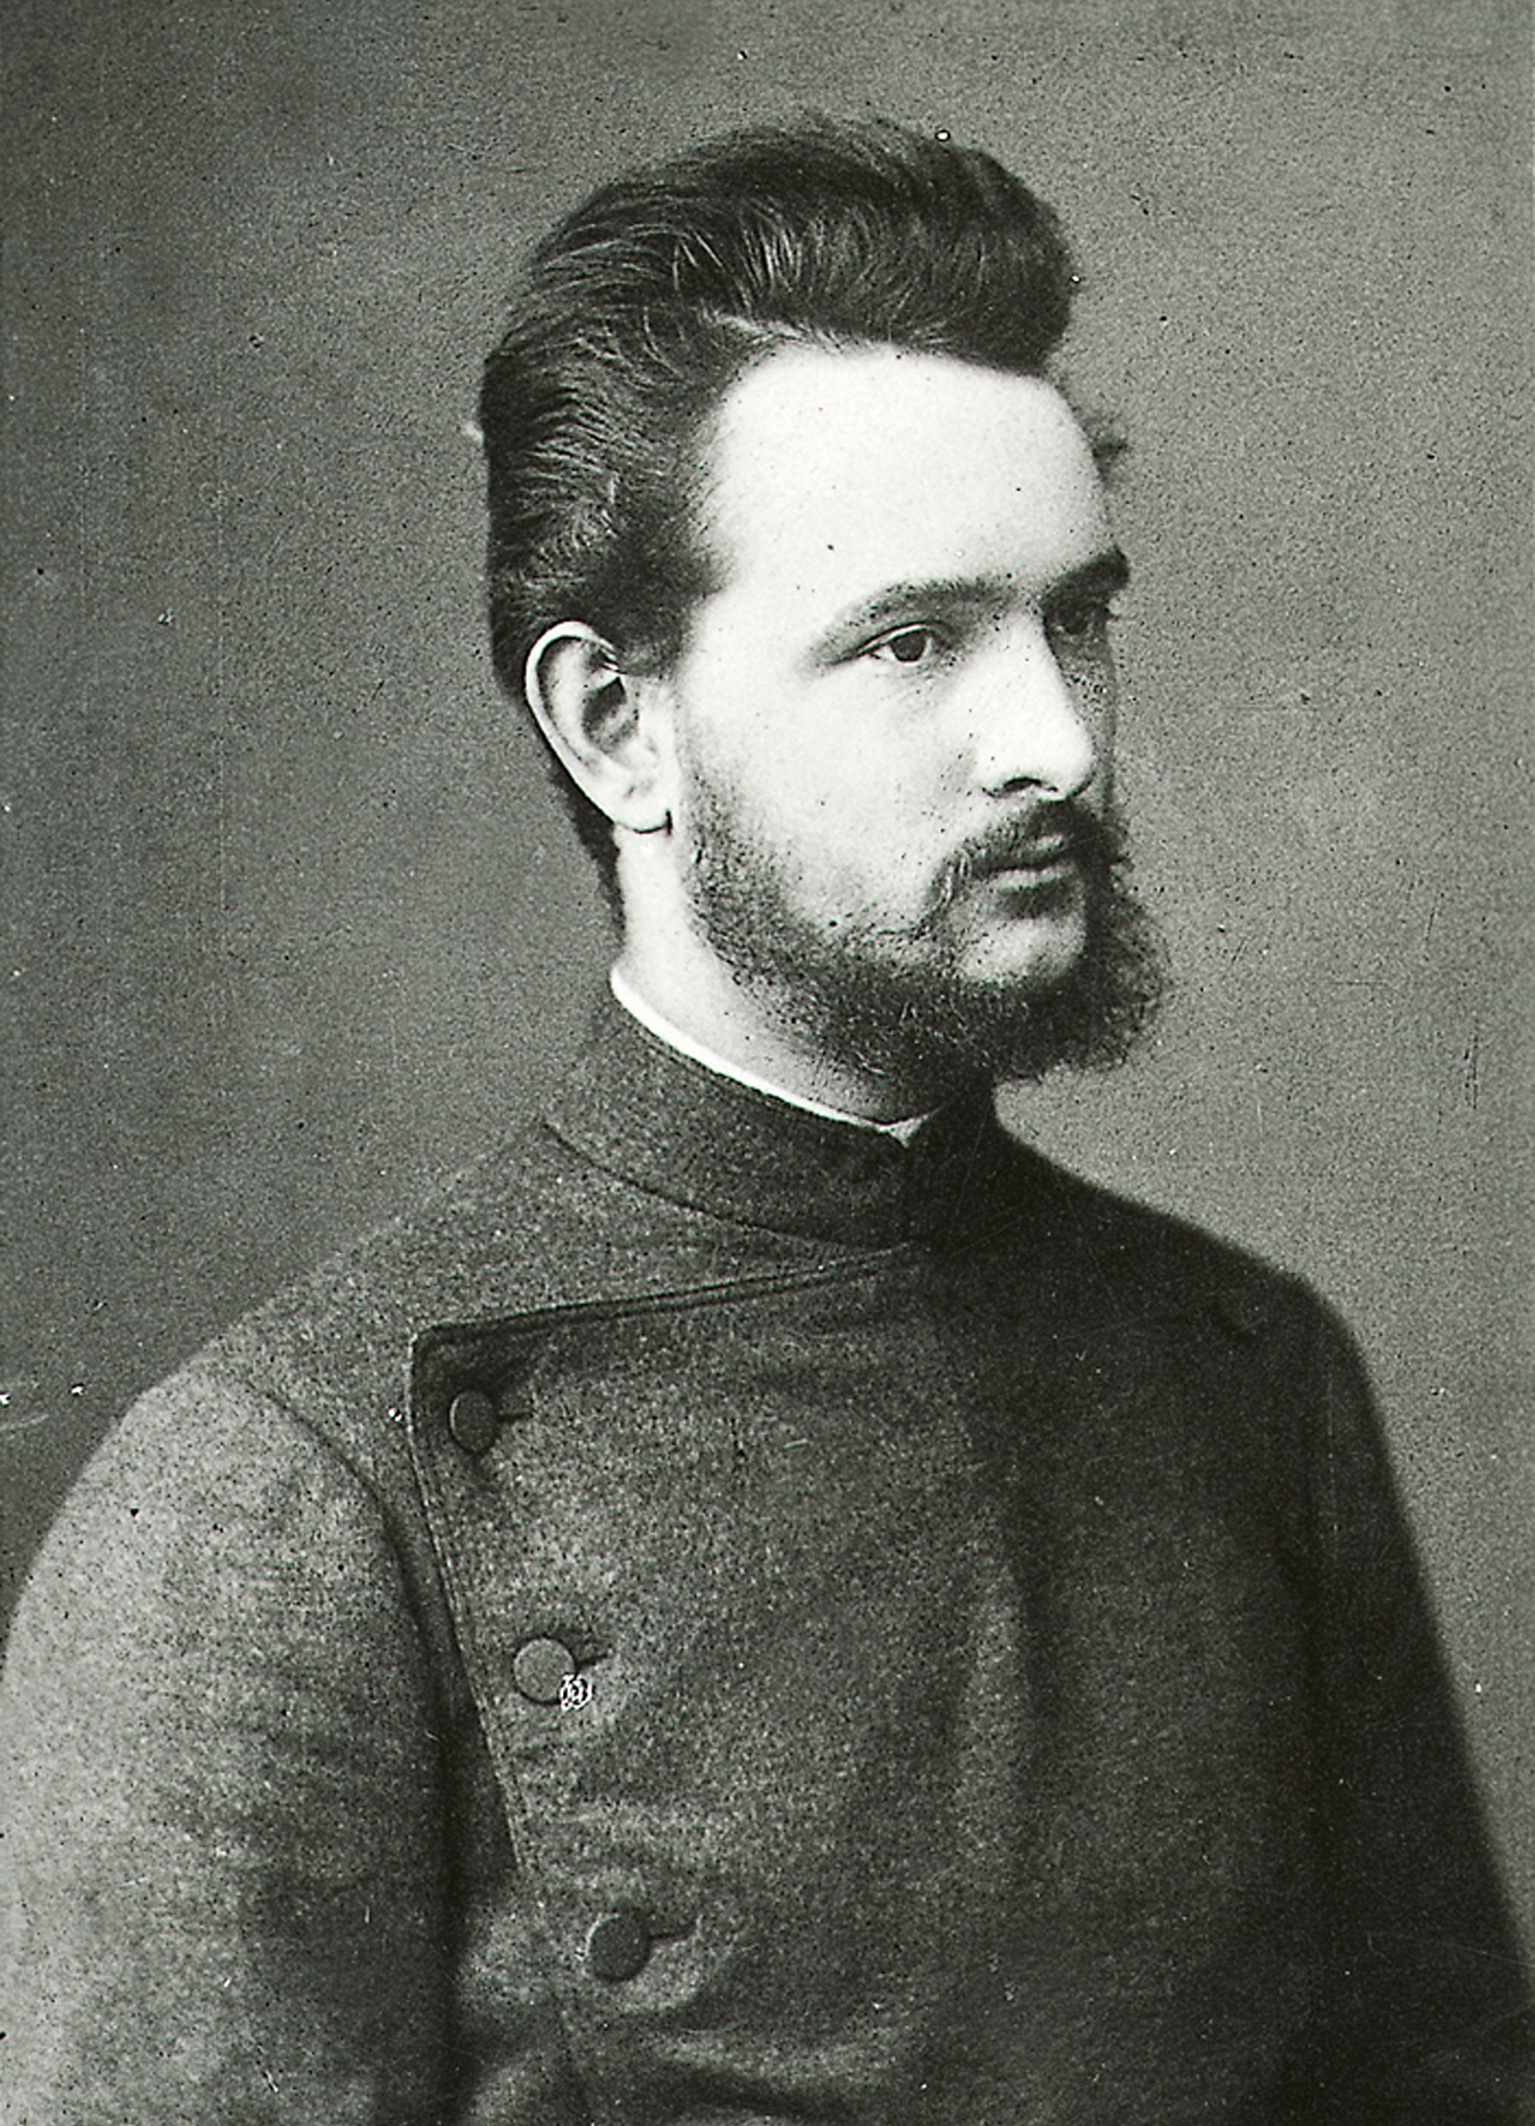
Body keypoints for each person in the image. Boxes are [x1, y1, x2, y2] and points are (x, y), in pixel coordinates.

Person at [1, 119, 1527, 2124]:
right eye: (913, 640)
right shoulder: (274, 1500)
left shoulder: (1249, 1375)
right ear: (616, 727)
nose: (1056, 741)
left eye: (1076, 618)